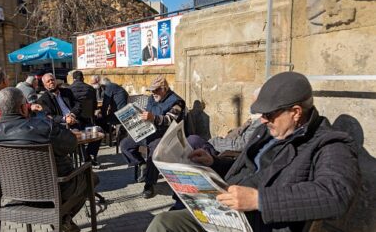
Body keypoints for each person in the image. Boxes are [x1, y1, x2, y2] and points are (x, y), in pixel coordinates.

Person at [146, 71, 360, 232]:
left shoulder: (329, 144)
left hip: (259, 222)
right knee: (163, 223)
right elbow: (249, 167)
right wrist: (214, 163)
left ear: (295, 112)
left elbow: (336, 194)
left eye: (269, 114)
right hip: (225, 208)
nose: (263, 120)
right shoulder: (269, 130)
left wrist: (259, 200)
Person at [0, 87, 93, 232]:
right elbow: (71, 144)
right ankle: (63, 219)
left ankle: (63, 220)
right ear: (24, 107)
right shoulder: (43, 127)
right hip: (56, 191)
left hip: (16, 195)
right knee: (90, 176)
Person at [120, 75, 185, 199]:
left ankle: (149, 184)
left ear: (164, 88)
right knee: (125, 146)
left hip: (164, 134)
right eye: (151, 90)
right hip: (147, 131)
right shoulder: (151, 98)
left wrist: (153, 118)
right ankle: (141, 164)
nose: (153, 93)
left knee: (153, 153)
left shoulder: (177, 101)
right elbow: (146, 112)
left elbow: (170, 120)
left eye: (156, 90)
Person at [69, 71, 101, 165]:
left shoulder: (69, 90)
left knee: (76, 135)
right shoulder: (90, 89)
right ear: (82, 78)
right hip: (88, 121)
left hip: (74, 122)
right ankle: (90, 154)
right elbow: (94, 106)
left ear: (73, 79)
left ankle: (84, 156)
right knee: (99, 132)